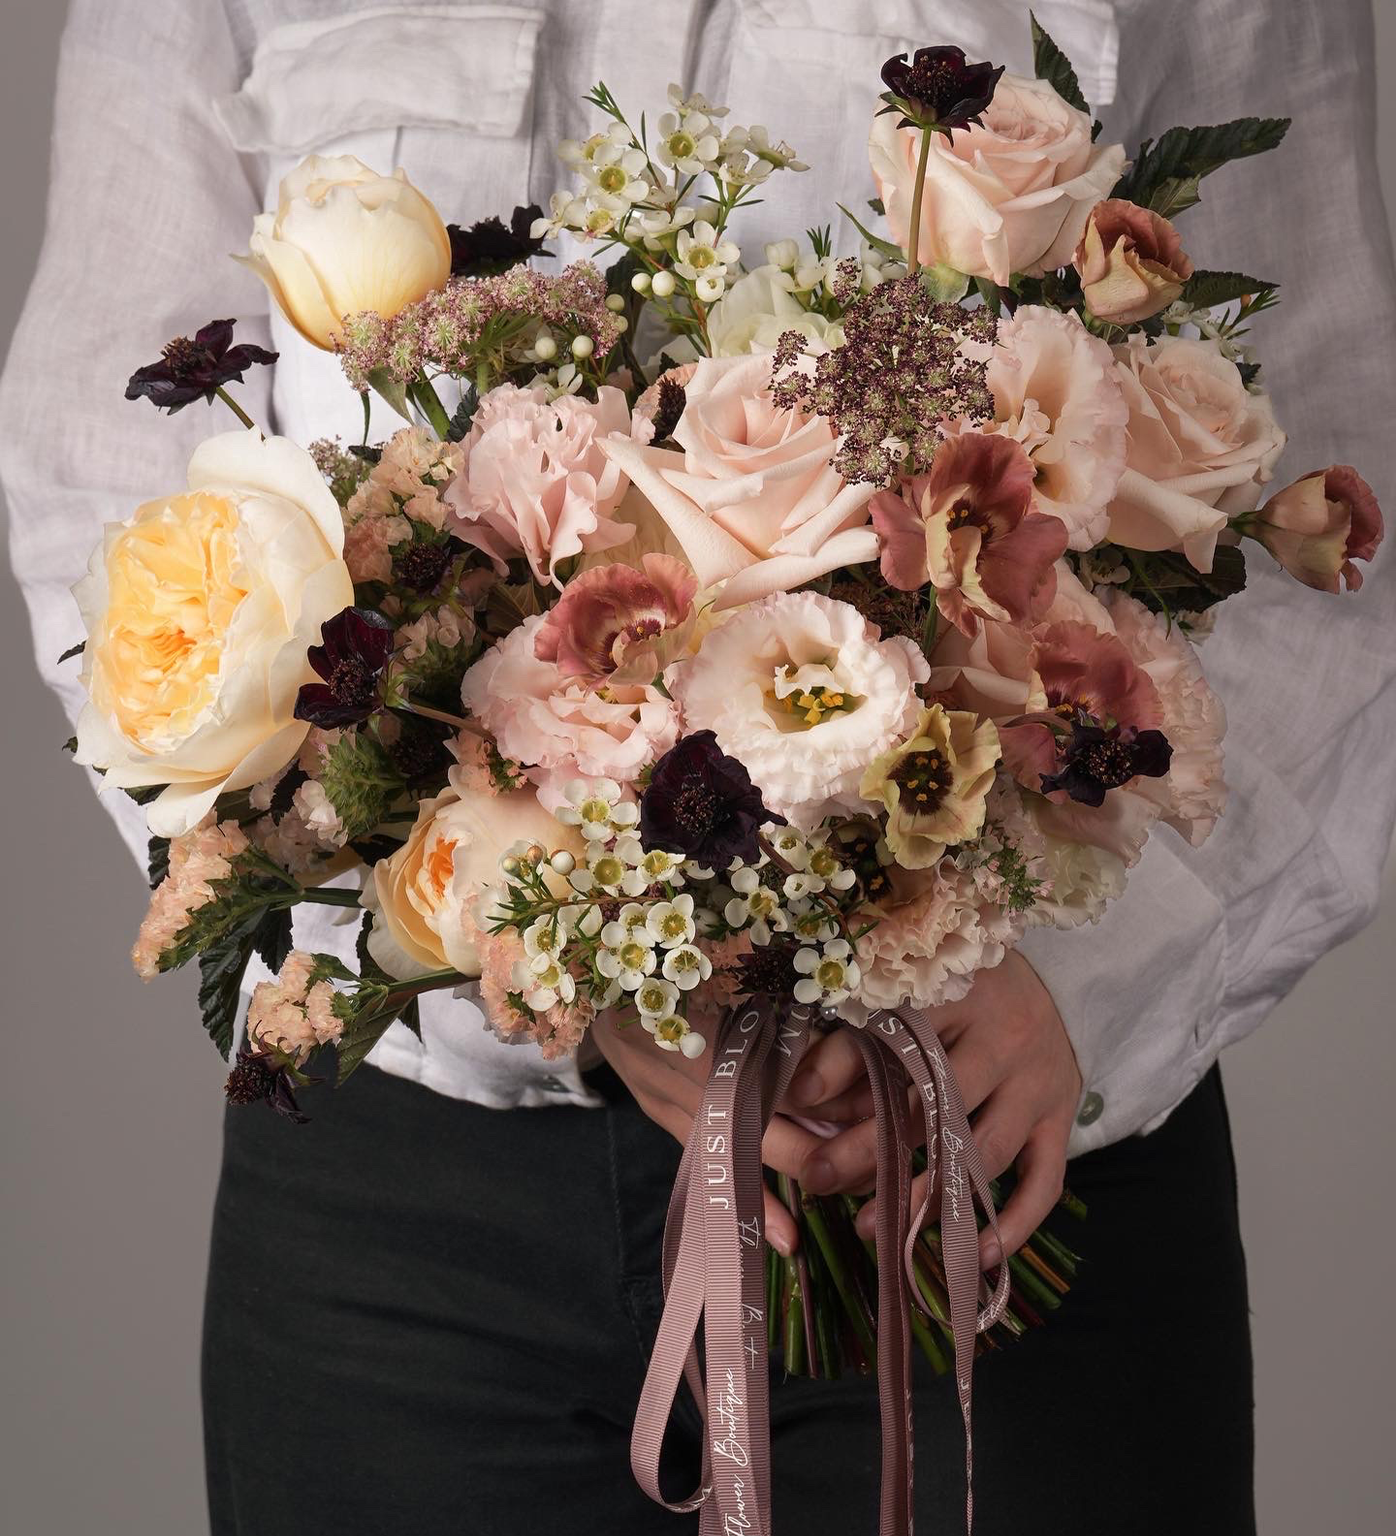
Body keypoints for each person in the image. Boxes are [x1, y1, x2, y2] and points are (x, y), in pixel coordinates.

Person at [2, 0, 1392, 1531]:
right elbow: (99, 480)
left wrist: (1068, 978)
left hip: (988, 1164)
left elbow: (1342, 489)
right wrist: (522, 937)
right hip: (407, 1243)